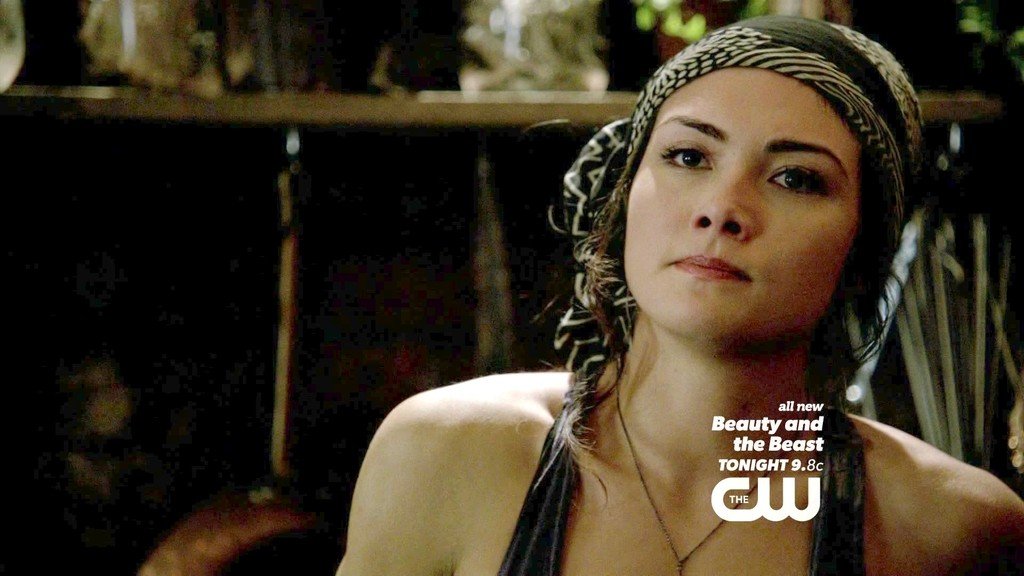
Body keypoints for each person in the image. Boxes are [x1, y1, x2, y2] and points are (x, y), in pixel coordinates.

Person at [336, 15, 1024, 576]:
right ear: (623, 195)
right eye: (689, 157)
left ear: (863, 249)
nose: (723, 208)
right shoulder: (449, 454)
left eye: (795, 178)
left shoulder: (951, 528)